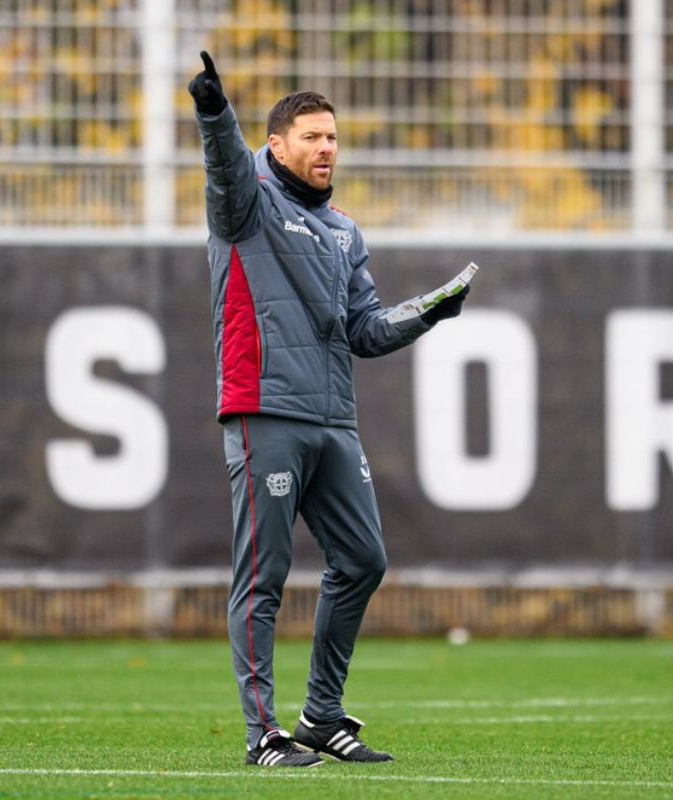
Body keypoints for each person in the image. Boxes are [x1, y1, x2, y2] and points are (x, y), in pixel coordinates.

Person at [189, 51, 469, 768]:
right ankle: (262, 736)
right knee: (265, 575)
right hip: (265, 410)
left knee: (364, 559)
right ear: (276, 146)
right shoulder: (246, 201)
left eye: (333, 137)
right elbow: (224, 167)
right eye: (311, 136)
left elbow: (366, 330)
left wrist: (428, 311)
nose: (326, 148)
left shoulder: (345, 231)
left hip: (332, 418)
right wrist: (216, 115)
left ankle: (320, 715)